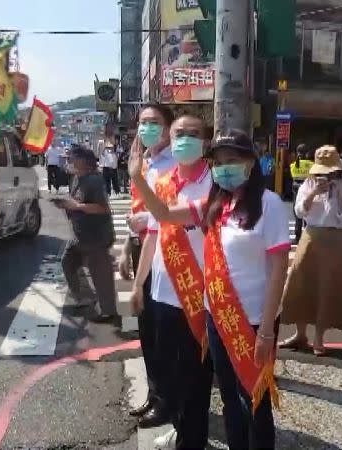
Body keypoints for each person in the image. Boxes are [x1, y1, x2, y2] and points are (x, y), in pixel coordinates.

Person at [129, 129, 289, 450]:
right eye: (218, 162)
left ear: (250, 163)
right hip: (217, 317)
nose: (225, 167)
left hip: (255, 321)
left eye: (233, 160)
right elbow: (162, 215)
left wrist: (268, 331)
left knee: (255, 402)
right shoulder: (213, 204)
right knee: (230, 397)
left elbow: (278, 271)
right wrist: (138, 178)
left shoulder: (269, 205)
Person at [129, 115, 213, 448]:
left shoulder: (213, 184)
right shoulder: (163, 181)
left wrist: (138, 178)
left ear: (205, 141)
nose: (185, 140)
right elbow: (153, 234)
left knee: (196, 379)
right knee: (171, 373)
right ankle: (181, 428)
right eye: (179, 133)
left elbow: (164, 216)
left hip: (199, 295)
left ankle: (192, 441)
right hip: (164, 294)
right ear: (169, 137)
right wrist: (138, 285)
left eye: (194, 134)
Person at [117, 103, 176, 427]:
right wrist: (128, 244)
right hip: (143, 247)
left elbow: (173, 211)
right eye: (143, 123)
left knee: (162, 331)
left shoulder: (175, 165)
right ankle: (156, 395)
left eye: (154, 122)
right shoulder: (145, 162)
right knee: (147, 328)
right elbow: (136, 206)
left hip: (166, 253)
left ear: (169, 128)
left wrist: (145, 219)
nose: (147, 128)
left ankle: (167, 401)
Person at [278, 145, 342, 356]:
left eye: (329, 172)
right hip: (311, 235)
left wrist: (339, 200)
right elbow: (299, 210)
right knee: (301, 282)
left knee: (327, 286)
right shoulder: (310, 183)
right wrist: (313, 193)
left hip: (335, 238)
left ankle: (319, 337)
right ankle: (300, 333)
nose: (325, 176)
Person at [55, 145, 120, 326]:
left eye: (73, 158)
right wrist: (66, 204)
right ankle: (85, 298)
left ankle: (109, 312)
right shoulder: (76, 178)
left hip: (97, 236)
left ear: (84, 161)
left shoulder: (94, 180)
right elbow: (77, 201)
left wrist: (76, 207)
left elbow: (102, 208)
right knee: (68, 263)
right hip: (80, 235)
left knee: (101, 275)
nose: (69, 161)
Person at [289, 144, 313, 244]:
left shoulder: (293, 165)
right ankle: (308, 238)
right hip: (308, 191)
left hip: (296, 191)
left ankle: (297, 237)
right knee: (308, 216)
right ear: (307, 153)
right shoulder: (312, 165)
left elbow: (292, 177)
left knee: (298, 216)